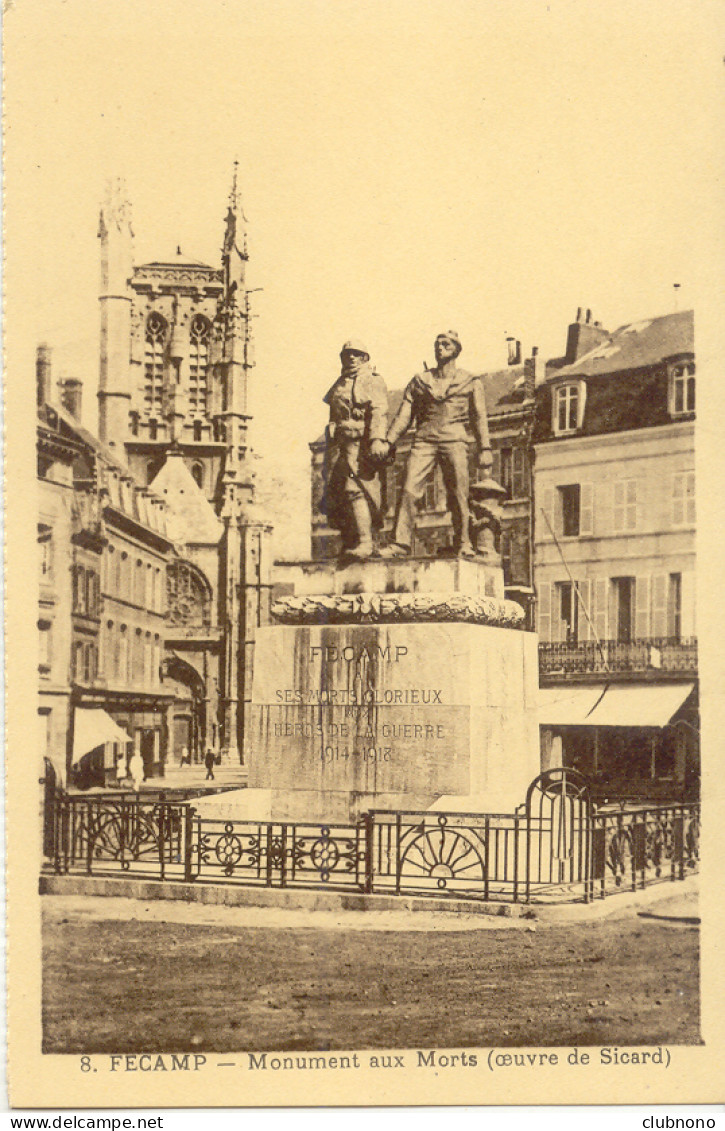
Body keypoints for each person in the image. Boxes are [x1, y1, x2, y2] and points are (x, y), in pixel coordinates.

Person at [380, 331, 492, 557]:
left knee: (459, 492)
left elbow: (479, 416)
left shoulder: (470, 381)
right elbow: (404, 416)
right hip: (424, 439)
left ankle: (463, 542)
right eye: (437, 344)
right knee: (409, 488)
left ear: (456, 349)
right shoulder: (421, 381)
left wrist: (486, 449)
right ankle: (400, 543)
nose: (440, 348)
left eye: (446, 344)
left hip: (455, 438)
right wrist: (388, 441)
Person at [321, 340, 389, 559]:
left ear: (365, 358)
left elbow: (379, 411)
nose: (351, 358)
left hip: (362, 446)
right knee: (339, 494)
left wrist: (377, 439)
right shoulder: (339, 384)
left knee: (357, 490)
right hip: (339, 447)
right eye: (347, 354)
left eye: (356, 354)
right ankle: (351, 540)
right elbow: (334, 414)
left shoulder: (373, 381)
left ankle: (366, 542)